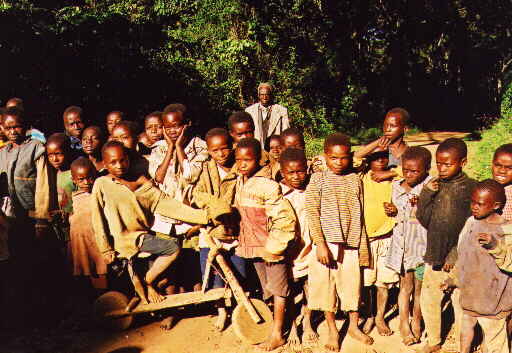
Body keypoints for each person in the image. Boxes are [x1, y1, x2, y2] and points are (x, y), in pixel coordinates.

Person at [91, 141, 230, 305]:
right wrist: (105, 249)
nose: (119, 165)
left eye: (123, 160)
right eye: (113, 162)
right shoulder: (102, 184)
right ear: (105, 164)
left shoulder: (141, 182)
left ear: (128, 159)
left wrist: (206, 217)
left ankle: (148, 283)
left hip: (143, 235)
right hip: (123, 241)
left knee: (173, 247)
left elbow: (169, 206)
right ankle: (146, 282)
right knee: (173, 249)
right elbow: (97, 218)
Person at [305, 133, 372, 351]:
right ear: (325, 157)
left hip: (351, 243)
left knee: (352, 288)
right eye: (333, 158)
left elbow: (359, 213)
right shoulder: (318, 179)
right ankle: (333, 330)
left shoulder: (355, 179)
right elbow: (312, 213)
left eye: (344, 158)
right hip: (326, 244)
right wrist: (320, 243)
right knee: (327, 289)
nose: (339, 162)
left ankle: (353, 326)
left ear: (350, 157)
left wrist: (362, 246)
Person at [234, 137, 296, 351]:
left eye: (247, 160)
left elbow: (284, 218)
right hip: (255, 247)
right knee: (268, 289)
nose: (242, 164)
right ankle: (274, 327)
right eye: (238, 159)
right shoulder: (240, 181)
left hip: (271, 248)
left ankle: (279, 333)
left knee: (279, 290)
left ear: (259, 160)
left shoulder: (267, 186)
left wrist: (275, 246)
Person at [416, 138, 477, 353]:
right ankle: (434, 340)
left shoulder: (471, 189)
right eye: (438, 163)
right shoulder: (435, 185)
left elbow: (472, 228)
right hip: (435, 253)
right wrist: (426, 194)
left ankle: (463, 345)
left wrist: (455, 255)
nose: (441, 169)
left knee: (460, 302)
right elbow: (424, 220)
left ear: (463, 162)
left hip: (459, 257)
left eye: (447, 164)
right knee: (429, 298)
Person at [444, 180, 512, 353]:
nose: (474, 207)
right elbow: (464, 254)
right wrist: (453, 279)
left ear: (496, 205)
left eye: (479, 204)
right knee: (466, 327)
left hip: (493, 299)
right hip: (471, 293)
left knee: (495, 342)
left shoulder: (507, 230)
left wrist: (495, 246)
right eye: (472, 202)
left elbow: (510, 262)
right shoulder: (471, 222)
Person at [0, 107, 52, 326]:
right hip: (9, 221)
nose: (13, 131)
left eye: (17, 126)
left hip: (32, 218)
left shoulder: (36, 149)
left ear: (26, 125)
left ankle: (40, 315)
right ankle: (20, 315)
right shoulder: (3, 152)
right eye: (8, 127)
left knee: (35, 264)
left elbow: (43, 186)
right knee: (15, 266)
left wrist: (41, 219)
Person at [192, 128, 243, 331]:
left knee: (238, 270)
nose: (221, 154)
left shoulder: (239, 168)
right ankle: (221, 310)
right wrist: (216, 209)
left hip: (236, 229)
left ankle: (239, 308)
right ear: (209, 151)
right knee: (212, 272)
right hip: (211, 229)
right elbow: (198, 195)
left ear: (232, 147)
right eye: (215, 150)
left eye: (225, 148)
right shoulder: (206, 170)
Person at [385, 146, 432, 346]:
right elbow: (396, 212)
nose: (409, 175)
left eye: (415, 171)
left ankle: (417, 321)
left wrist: (423, 202)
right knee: (405, 287)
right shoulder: (396, 186)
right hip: (402, 247)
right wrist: (392, 209)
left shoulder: (430, 187)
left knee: (420, 289)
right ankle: (404, 324)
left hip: (421, 247)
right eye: (406, 170)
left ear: (427, 170)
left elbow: (433, 214)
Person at [278, 148, 317, 348]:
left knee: (310, 288)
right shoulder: (278, 193)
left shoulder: (313, 187)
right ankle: (293, 325)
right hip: (289, 251)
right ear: (282, 172)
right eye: (290, 173)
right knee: (291, 290)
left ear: (307, 169)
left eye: (300, 171)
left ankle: (308, 322)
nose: (296, 176)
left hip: (311, 247)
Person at [359, 147, 398, 337]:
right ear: (368, 161)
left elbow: (417, 169)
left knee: (383, 282)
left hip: (387, 237)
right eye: (376, 158)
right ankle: (369, 315)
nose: (381, 161)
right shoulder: (362, 176)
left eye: (384, 157)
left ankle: (381, 316)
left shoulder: (393, 178)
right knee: (367, 283)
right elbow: (356, 157)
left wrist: (394, 209)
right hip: (367, 239)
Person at [69, 157, 107, 292]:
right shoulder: (74, 196)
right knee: (86, 269)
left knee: (101, 269)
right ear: (74, 180)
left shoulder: (100, 194)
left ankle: (106, 298)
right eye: (81, 179)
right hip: (80, 242)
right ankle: (96, 302)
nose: (86, 182)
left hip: (97, 240)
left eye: (90, 178)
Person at [354, 107, 410, 178]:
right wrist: (377, 142)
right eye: (385, 125)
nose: (388, 129)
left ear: (405, 129)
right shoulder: (377, 149)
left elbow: (417, 171)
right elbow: (355, 157)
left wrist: (391, 173)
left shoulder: (411, 152)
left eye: (393, 126)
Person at [46, 133, 75, 249]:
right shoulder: (55, 173)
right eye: (50, 155)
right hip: (62, 223)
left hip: (74, 222)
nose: (54, 159)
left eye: (58, 154)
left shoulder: (74, 173)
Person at [245, 83, 290, 148]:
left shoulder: (281, 111)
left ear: (271, 95)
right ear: (258, 95)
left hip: (275, 149)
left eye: (267, 94)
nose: (264, 97)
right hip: (257, 149)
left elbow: (285, 132)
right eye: (262, 95)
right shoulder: (249, 111)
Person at [492, 143, 512, 220]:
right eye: (498, 165)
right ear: (492, 164)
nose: (502, 171)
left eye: (509, 168)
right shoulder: (487, 188)